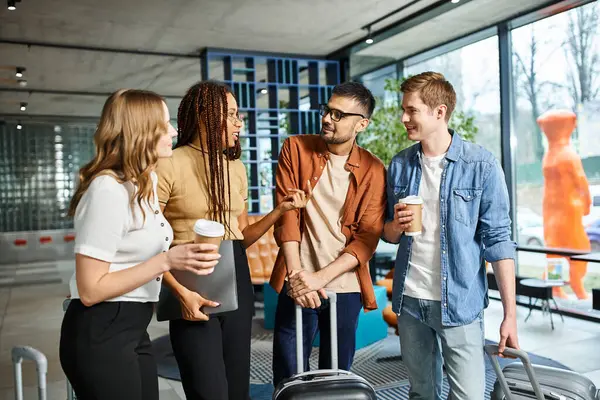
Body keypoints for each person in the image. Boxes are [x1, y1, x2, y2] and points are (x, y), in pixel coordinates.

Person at [59, 89, 222, 400]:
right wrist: (167, 261)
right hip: (101, 333)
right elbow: (91, 290)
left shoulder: (144, 183)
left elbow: (136, 259)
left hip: (133, 328)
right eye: (165, 124)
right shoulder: (108, 190)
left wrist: (183, 289)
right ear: (142, 132)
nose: (174, 131)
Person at [155, 80, 308, 400]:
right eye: (231, 115)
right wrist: (179, 291)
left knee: (238, 388)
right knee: (208, 389)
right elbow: (148, 242)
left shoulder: (235, 167)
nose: (239, 123)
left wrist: (280, 210)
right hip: (189, 279)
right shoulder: (168, 162)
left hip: (235, 274)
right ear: (204, 115)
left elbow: (239, 239)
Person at [382, 71, 519, 400]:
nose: (404, 118)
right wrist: (396, 226)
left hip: (460, 302)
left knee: (469, 395)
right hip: (411, 301)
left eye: (411, 110)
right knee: (421, 393)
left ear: (439, 112)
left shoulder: (481, 165)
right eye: (404, 110)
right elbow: (387, 235)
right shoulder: (400, 165)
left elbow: (499, 243)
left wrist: (510, 315)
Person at [270, 81, 387, 386]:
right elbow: (287, 217)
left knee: (336, 378)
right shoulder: (295, 148)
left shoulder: (374, 169)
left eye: (338, 115)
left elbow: (366, 239)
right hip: (297, 279)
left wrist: (319, 279)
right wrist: (298, 278)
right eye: (327, 110)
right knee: (288, 376)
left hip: (345, 286)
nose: (327, 119)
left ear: (361, 124)